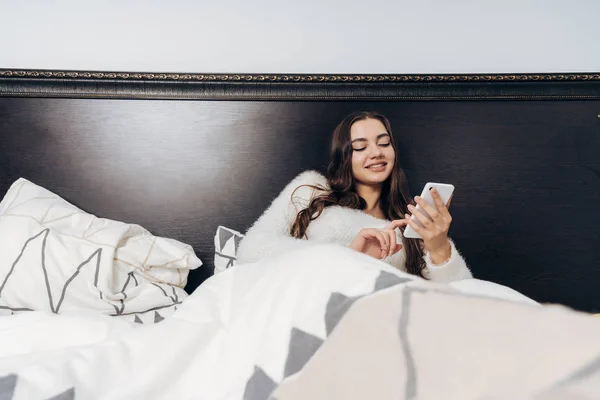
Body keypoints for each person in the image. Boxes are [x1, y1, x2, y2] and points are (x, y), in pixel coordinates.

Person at [236, 111, 472, 282]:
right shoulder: (312, 190)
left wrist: (438, 245)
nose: (376, 152)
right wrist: (348, 253)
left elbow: (454, 298)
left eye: (384, 143)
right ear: (343, 156)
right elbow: (251, 250)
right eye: (360, 147)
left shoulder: (410, 224)